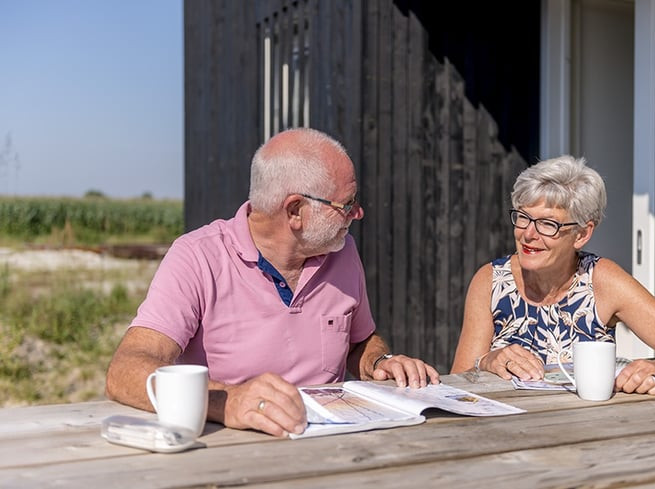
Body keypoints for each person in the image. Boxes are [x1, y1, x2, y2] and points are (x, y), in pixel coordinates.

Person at [106, 128, 439, 437]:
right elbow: (126, 372)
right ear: (294, 210)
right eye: (347, 205)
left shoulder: (343, 250)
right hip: (228, 453)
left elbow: (358, 342)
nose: (359, 213)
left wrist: (379, 362)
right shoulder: (197, 257)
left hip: (333, 448)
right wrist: (228, 402)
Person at [450, 155, 655, 394]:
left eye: (547, 224)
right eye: (523, 217)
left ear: (581, 234)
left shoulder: (600, 279)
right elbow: (457, 383)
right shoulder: (491, 280)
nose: (529, 234)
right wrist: (487, 361)